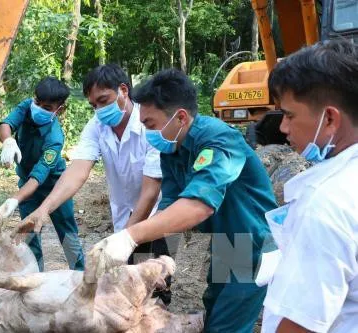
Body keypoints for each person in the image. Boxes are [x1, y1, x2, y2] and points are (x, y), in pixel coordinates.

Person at [84, 69, 279, 332]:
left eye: (150, 124)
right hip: (227, 242)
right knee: (214, 306)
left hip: (251, 244)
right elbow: (172, 204)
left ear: (181, 117)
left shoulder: (219, 140)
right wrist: (150, 257)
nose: (147, 132)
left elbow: (198, 206)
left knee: (226, 325)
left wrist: (129, 236)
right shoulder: (172, 148)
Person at [13, 65, 166, 288]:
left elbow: (151, 191)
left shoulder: (150, 123)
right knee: (128, 288)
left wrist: (125, 239)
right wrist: (43, 210)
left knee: (156, 288)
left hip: (157, 216)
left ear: (123, 90)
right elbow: (77, 171)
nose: (100, 110)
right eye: (94, 105)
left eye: (104, 100)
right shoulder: (97, 126)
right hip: (123, 216)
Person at [260, 40, 358, 333]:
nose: (283, 128)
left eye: (289, 115)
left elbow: (301, 323)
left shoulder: (325, 203)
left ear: (329, 119)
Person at [0, 77, 85, 271]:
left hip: (55, 188)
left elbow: (38, 176)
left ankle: (82, 279)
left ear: (59, 110)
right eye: (37, 102)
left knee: (68, 235)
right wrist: (8, 141)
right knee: (29, 236)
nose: (38, 108)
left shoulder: (55, 138)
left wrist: (14, 200)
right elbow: (5, 124)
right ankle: (34, 280)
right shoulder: (27, 107)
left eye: (46, 106)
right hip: (27, 186)